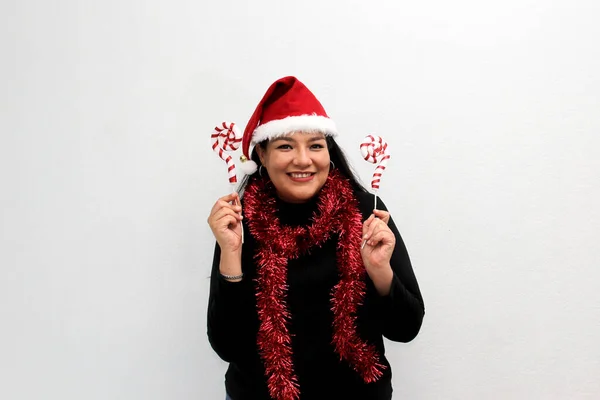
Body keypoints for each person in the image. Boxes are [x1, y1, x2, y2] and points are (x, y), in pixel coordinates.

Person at [207, 76, 424, 400]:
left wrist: (380, 272)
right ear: (262, 156)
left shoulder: (365, 211)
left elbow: (406, 329)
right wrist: (231, 254)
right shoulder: (239, 220)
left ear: (329, 152)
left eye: (315, 145)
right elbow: (227, 346)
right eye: (285, 146)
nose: (303, 159)